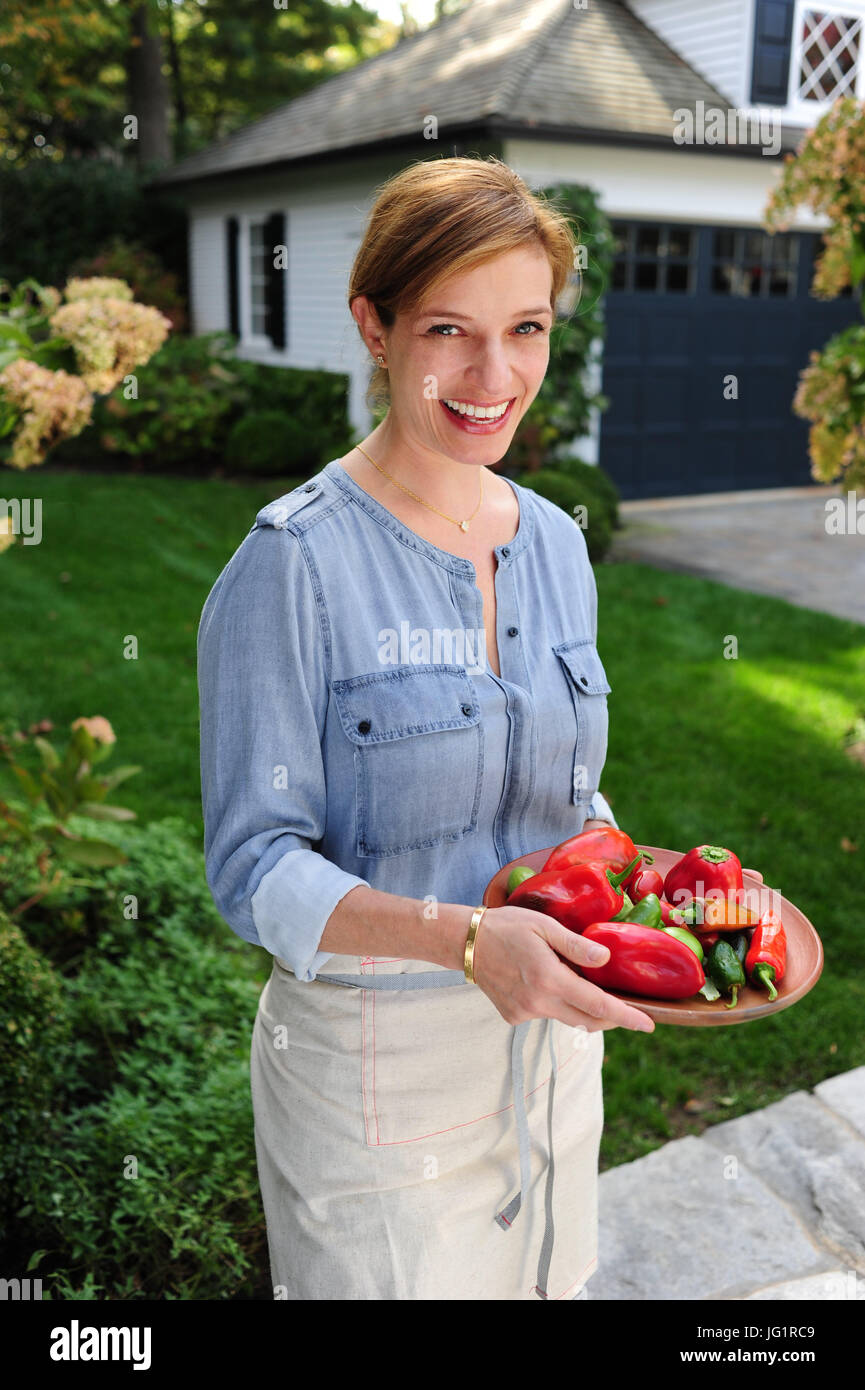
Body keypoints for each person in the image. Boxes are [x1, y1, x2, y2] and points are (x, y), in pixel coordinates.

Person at [197, 155, 655, 1303]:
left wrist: (629, 874)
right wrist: (463, 938)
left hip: (556, 1056)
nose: (493, 375)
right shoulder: (293, 563)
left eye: (527, 329)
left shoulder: (554, 542)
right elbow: (252, 868)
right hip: (376, 1087)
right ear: (375, 325)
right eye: (449, 328)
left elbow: (562, 793)